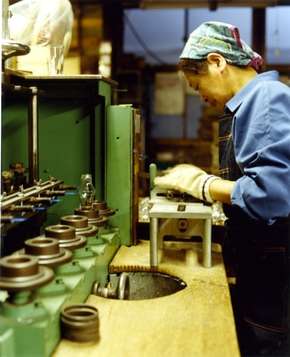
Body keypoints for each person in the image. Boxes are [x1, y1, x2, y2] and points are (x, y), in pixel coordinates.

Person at [154, 21, 290, 356]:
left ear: (217, 61)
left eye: (196, 84)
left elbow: (273, 196)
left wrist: (205, 185)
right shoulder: (250, 105)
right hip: (259, 264)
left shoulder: (267, 100)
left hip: (276, 275)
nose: (200, 96)